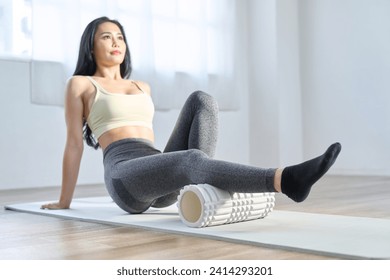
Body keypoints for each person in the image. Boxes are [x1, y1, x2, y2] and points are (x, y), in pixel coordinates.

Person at [41, 17, 342, 214]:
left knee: (202, 99)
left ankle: (199, 186)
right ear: (91, 46)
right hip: (124, 177)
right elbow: (73, 144)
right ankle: (284, 180)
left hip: (157, 173)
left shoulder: (140, 85)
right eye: (106, 37)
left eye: (119, 36)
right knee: (191, 160)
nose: (116, 42)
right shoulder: (81, 84)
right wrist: (64, 202)